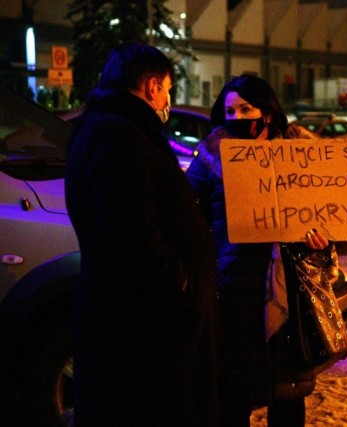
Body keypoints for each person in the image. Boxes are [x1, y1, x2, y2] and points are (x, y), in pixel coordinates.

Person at [65, 42, 221, 425]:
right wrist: (179, 282)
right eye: (168, 89)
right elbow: (130, 228)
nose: (168, 98)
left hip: (139, 316)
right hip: (142, 323)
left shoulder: (114, 128)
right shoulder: (120, 135)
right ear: (152, 86)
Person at [186, 74, 328, 426]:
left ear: (266, 113)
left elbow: (324, 216)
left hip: (288, 289)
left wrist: (320, 243)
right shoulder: (209, 157)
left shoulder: (299, 157)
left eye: (245, 108)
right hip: (233, 289)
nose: (236, 117)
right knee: (234, 394)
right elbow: (188, 213)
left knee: (287, 391)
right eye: (230, 110)